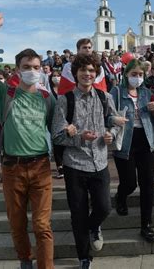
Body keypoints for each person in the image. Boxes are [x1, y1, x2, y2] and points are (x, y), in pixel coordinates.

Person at [0, 13, 56, 269]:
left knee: (42, 225)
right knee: (17, 223)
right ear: (18, 69)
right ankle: (24, 261)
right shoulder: (4, 93)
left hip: (41, 167)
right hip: (12, 168)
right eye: (27, 67)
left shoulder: (46, 98)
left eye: (36, 67)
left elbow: (55, 127)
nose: (32, 71)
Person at [52, 53, 120, 269]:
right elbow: (57, 135)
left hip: (99, 162)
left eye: (91, 70)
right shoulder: (65, 100)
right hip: (75, 165)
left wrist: (111, 133)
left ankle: (93, 227)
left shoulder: (104, 97)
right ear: (76, 73)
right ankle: (84, 256)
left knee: (104, 207)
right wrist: (77, 136)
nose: (87, 74)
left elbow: (115, 122)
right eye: (83, 70)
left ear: (96, 73)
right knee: (78, 212)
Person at [110, 59, 154, 243]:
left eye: (140, 75)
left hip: (145, 140)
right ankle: (121, 196)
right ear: (126, 75)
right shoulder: (116, 92)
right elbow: (108, 114)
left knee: (147, 184)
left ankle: (146, 224)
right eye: (134, 74)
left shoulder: (147, 93)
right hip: (125, 141)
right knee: (130, 182)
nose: (137, 78)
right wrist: (114, 120)